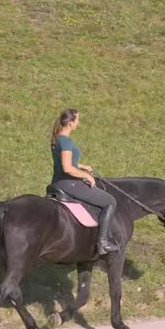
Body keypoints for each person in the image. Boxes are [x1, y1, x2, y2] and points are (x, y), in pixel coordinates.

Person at [49, 108, 119, 255]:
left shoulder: (58, 138)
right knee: (110, 201)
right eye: (77, 120)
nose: (78, 123)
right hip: (69, 183)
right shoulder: (66, 142)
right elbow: (67, 168)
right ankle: (103, 242)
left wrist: (82, 166)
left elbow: (65, 162)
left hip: (58, 181)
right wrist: (85, 176)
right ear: (71, 122)